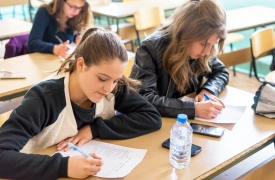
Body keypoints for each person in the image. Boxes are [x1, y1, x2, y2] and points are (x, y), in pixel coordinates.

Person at [0, 27, 162, 179]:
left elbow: (151, 117)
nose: (108, 88)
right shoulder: (45, 97)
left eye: (116, 80)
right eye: (102, 79)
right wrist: (64, 166)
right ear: (81, 64)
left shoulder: (112, 86)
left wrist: (94, 129)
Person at [130, 0, 229, 120]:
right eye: (204, 44)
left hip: (182, 123)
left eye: (212, 45)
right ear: (187, 34)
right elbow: (144, 98)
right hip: (157, 122)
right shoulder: (150, 48)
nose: (208, 52)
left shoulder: (199, 52)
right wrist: (193, 109)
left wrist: (208, 90)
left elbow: (221, 72)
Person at [28, 0, 93, 57]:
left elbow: (73, 34)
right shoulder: (44, 12)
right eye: (72, 7)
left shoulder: (76, 16)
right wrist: (53, 48)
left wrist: (78, 36)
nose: (76, 12)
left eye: (80, 8)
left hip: (60, 60)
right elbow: (32, 43)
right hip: (41, 60)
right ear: (61, 1)